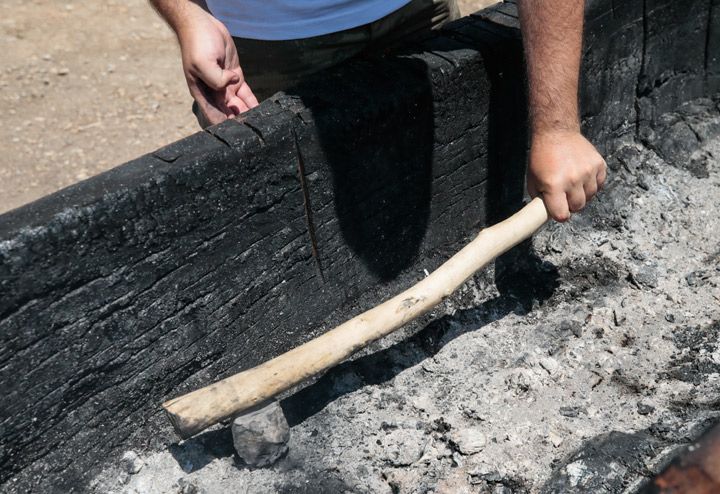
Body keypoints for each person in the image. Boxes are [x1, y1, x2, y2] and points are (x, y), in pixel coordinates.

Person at [149, 0, 606, 222]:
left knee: (445, 194)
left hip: (416, 12)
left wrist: (558, 127)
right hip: (263, 42)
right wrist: (187, 15)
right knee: (286, 221)